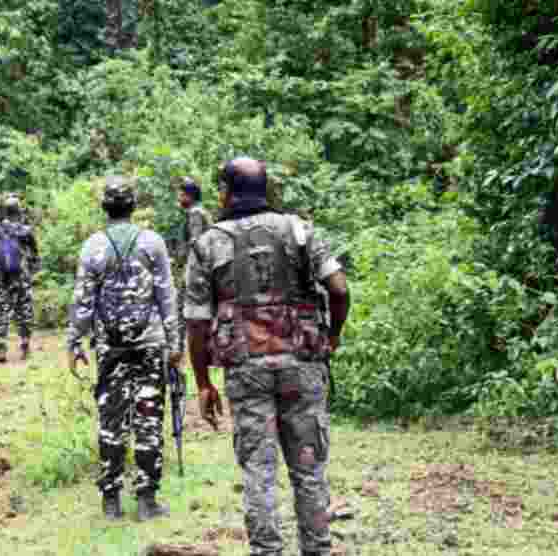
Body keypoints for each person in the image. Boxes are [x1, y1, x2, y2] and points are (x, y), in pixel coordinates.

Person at [184, 158, 349, 556]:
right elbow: (340, 289)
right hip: (303, 364)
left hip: (246, 369)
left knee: (259, 471)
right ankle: (318, 549)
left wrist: (204, 384)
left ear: (227, 192)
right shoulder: (299, 230)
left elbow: (196, 323)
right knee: (308, 468)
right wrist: (332, 337)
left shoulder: (208, 243)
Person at [66, 176, 180, 521]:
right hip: (149, 344)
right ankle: (146, 500)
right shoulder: (152, 242)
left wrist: (73, 341)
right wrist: (175, 343)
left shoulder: (92, 246)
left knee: (111, 420)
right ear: (133, 206)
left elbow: (83, 301)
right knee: (148, 417)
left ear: (105, 207)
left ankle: (111, 501)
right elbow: (166, 297)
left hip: (110, 346)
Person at [0, 193, 41, 363]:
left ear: (4, 211)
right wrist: (31, 272)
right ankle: (25, 345)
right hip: (21, 276)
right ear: (18, 210)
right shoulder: (25, 231)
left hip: (2, 277)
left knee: (1, 310)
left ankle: (1, 346)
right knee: (24, 309)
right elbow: (35, 256)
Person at [174, 176, 212, 357]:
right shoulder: (200, 212)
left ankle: (177, 351)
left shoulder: (195, 213)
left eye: (181, 194)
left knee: (181, 309)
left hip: (196, 271)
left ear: (189, 195)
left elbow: (196, 242)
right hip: (200, 269)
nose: (178, 198)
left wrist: (194, 271)